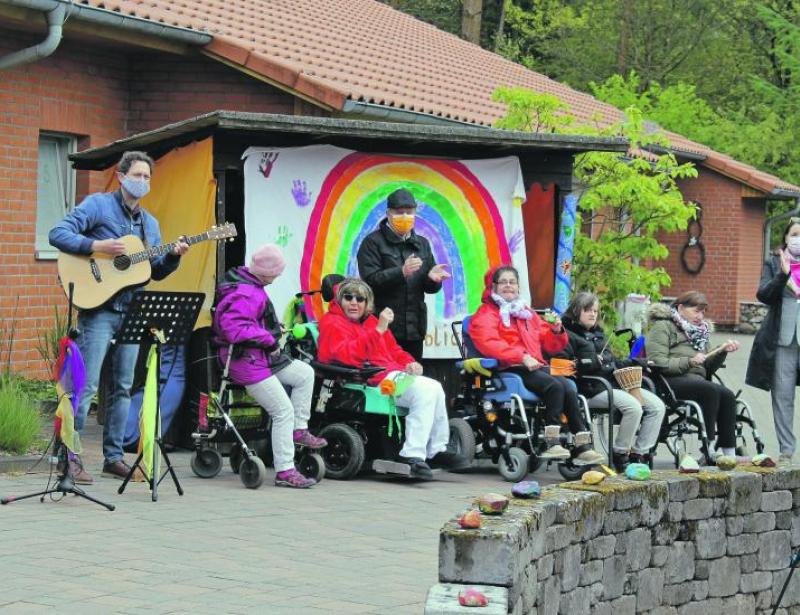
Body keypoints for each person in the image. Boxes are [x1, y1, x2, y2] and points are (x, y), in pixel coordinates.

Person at [49, 151, 189, 483]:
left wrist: (172, 257)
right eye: (138, 175)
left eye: (148, 178)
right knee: (86, 386)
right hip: (98, 311)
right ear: (122, 176)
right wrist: (96, 246)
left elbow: (150, 272)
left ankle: (113, 457)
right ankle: (68, 458)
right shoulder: (98, 206)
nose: (144, 182)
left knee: (124, 387)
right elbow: (58, 233)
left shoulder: (150, 224)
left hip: (131, 312)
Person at [317, 277, 469, 480]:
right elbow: (348, 356)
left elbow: (395, 350)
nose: (354, 302)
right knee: (425, 391)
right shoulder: (332, 322)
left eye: (360, 298)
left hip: (389, 374)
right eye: (348, 297)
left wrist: (409, 362)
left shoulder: (371, 322)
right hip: (366, 378)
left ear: (367, 303)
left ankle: (436, 449)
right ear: (339, 300)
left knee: (435, 388)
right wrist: (378, 331)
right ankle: (412, 455)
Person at [212, 244, 326, 489]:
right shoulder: (246, 293)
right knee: (283, 410)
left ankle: (299, 429)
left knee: (305, 373)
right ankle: (285, 469)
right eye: (277, 272)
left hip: (259, 356)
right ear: (266, 272)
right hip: (246, 361)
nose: (278, 276)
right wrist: (268, 338)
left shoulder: (250, 284)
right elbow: (234, 329)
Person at [468, 265, 604, 464]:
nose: (508, 286)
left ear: (518, 286)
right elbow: (489, 343)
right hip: (507, 368)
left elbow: (549, 344)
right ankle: (552, 443)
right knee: (555, 385)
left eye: (512, 282)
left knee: (568, 385)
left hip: (533, 366)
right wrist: (521, 356)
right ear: (493, 286)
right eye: (503, 282)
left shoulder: (526, 313)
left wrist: (556, 331)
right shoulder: (485, 315)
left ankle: (582, 445)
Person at [562, 292, 666, 471]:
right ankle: (620, 453)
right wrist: (594, 362)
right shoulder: (566, 334)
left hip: (611, 383)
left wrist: (637, 362)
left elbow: (613, 363)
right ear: (576, 310)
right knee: (633, 406)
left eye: (595, 310)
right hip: (590, 388)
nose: (593, 314)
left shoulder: (599, 335)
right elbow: (571, 366)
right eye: (588, 310)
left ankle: (639, 453)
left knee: (657, 406)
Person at [357, 188, 450, 361]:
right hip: (383, 326)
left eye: (410, 212)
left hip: (414, 329)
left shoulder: (422, 244)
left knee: (413, 378)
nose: (405, 217)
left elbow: (428, 287)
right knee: (387, 380)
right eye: (400, 213)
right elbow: (369, 281)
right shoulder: (372, 242)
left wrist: (433, 280)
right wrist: (401, 272)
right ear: (388, 213)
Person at [647, 291, 741, 461]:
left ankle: (729, 453)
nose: (700, 316)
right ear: (680, 308)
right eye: (696, 311)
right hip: (669, 381)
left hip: (696, 381)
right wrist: (689, 362)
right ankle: (709, 449)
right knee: (710, 390)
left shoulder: (701, 332)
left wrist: (722, 352)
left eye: (703, 312)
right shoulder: (663, 327)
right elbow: (657, 362)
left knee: (727, 395)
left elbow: (708, 367)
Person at [747, 218, 800, 463]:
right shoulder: (774, 262)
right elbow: (764, 295)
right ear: (786, 238)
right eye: (795, 234)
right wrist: (783, 274)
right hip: (784, 340)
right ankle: (787, 450)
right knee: (783, 397)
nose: (798, 239)